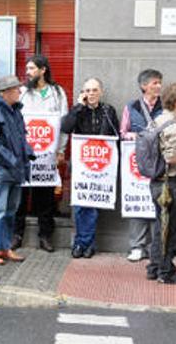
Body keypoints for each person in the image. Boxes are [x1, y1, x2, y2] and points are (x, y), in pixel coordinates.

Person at [14, 55, 68, 253]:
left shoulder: (57, 93)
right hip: (24, 153)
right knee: (19, 197)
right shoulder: (21, 93)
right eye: (27, 69)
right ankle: (16, 234)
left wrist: (61, 149)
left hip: (47, 154)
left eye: (31, 68)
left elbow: (62, 124)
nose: (28, 73)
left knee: (44, 198)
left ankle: (45, 236)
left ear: (43, 70)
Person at [60, 78, 119, 259]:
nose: (91, 94)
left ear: (100, 92)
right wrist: (78, 107)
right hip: (81, 165)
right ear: (83, 93)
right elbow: (66, 127)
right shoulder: (78, 110)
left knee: (93, 205)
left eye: (94, 90)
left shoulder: (108, 110)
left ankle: (88, 244)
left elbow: (115, 134)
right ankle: (80, 242)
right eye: (87, 90)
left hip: (100, 165)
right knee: (80, 206)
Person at [0, 75, 34, 265]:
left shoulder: (15, 110)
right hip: (0, 170)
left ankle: (3, 246)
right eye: (17, 89)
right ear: (6, 92)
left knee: (10, 210)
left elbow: (21, 136)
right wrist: (12, 158)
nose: (20, 92)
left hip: (15, 168)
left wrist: (28, 152)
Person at [145, 82, 176, 285]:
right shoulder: (172, 125)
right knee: (171, 228)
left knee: (159, 226)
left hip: (156, 181)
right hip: (169, 182)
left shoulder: (157, 120)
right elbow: (171, 157)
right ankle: (166, 271)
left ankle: (154, 266)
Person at [119, 69, 163, 262]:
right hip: (135, 165)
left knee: (157, 203)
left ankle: (156, 247)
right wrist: (138, 137)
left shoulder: (165, 106)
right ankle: (137, 246)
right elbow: (123, 132)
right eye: (154, 83)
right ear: (144, 86)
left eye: (160, 82)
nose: (159, 86)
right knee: (137, 203)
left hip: (159, 163)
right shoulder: (132, 106)